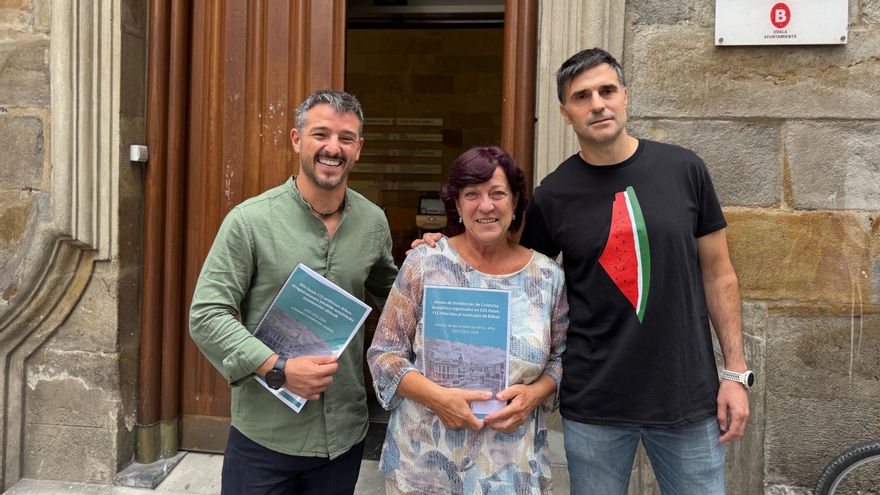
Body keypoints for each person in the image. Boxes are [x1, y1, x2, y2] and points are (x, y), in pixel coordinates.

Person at [416, 48, 751, 494]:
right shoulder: (553, 196)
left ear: (625, 97)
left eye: (607, 90)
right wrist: (446, 248)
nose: (597, 104)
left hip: (686, 398)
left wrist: (735, 373)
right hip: (595, 404)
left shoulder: (684, 170)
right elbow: (512, 274)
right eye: (582, 96)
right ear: (565, 112)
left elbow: (719, 274)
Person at [189, 89, 398, 495]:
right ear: (296, 139)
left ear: (358, 149)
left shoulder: (373, 223)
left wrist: (438, 260)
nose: (333, 148)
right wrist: (277, 368)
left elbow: (395, 297)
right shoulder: (249, 222)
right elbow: (207, 315)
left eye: (346, 138)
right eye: (321, 134)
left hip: (343, 436)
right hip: (265, 436)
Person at [368, 146, 569, 495]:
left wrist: (535, 394)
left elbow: (561, 359)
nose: (485, 205)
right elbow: (384, 355)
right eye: (472, 194)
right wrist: (437, 398)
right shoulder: (424, 264)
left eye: (497, 193)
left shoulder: (548, 276)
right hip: (425, 464)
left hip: (510, 466)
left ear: (516, 200)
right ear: (457, 205)